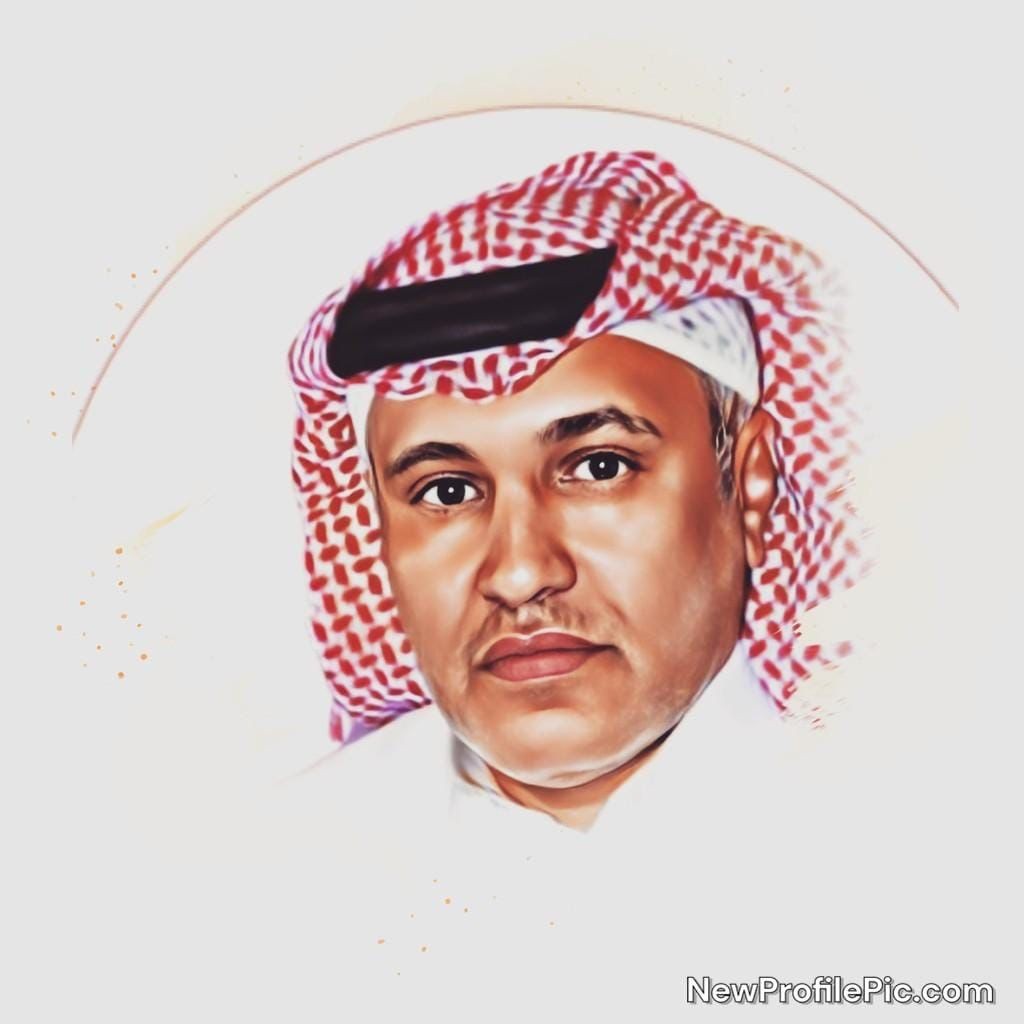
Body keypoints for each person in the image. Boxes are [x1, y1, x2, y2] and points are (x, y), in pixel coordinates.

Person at [284, 150, 864, 843]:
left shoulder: (897, 792)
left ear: (750, 486)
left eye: (598, 467)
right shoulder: (288, 847)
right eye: (447, 490)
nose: (520, 574)